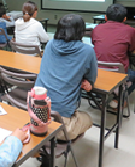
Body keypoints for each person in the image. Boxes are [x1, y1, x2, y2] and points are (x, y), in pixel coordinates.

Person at [35, 14, 97, 142]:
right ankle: (57, 140)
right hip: (61, 123)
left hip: (35, 115)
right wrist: (87, 81)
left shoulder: (50, 44)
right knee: (88, 119)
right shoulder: (87, 51)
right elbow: (91, 77)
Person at [92, 4, 135, 108]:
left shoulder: (97, 28)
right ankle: (118, 100)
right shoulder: (130, 30)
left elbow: (94, 43)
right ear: (125, 19)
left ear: (105, 17)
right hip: (118, 73)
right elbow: (132, 48)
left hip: (97, 71)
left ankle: (101, 96)